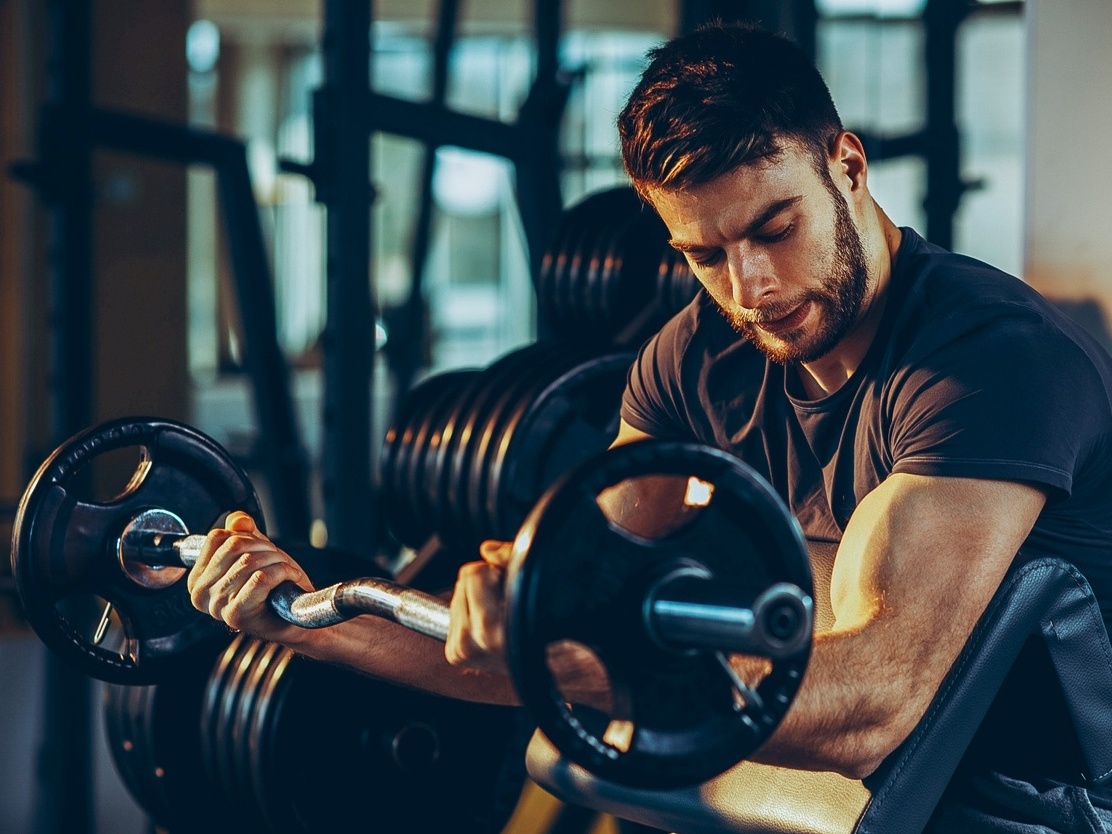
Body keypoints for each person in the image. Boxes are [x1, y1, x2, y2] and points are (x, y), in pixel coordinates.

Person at [188, 22, 1112, 832]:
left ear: (849, 167)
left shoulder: (990, 359)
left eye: (774, 228)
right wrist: (309, 619)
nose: (752, 290)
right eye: (704, 255)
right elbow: (553, 629)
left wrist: (597, 663)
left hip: (1041, 795)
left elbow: (871, 704)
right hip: (854, 786)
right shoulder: (693, 357)